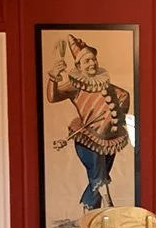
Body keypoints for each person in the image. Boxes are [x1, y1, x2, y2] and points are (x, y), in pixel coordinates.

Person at [47, 34, 131, 216]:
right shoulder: (74, 86)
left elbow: (123, 95)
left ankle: (89, 213)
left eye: (93, 59)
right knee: (98, 177)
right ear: (78, 66)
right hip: (88, 140)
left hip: (108, 140)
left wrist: (120, 110)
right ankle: (110, 208)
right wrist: (54, 78)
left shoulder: (105, 85)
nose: (92, 63)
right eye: (87, 61)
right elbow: (53, 97)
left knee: (100, 178)